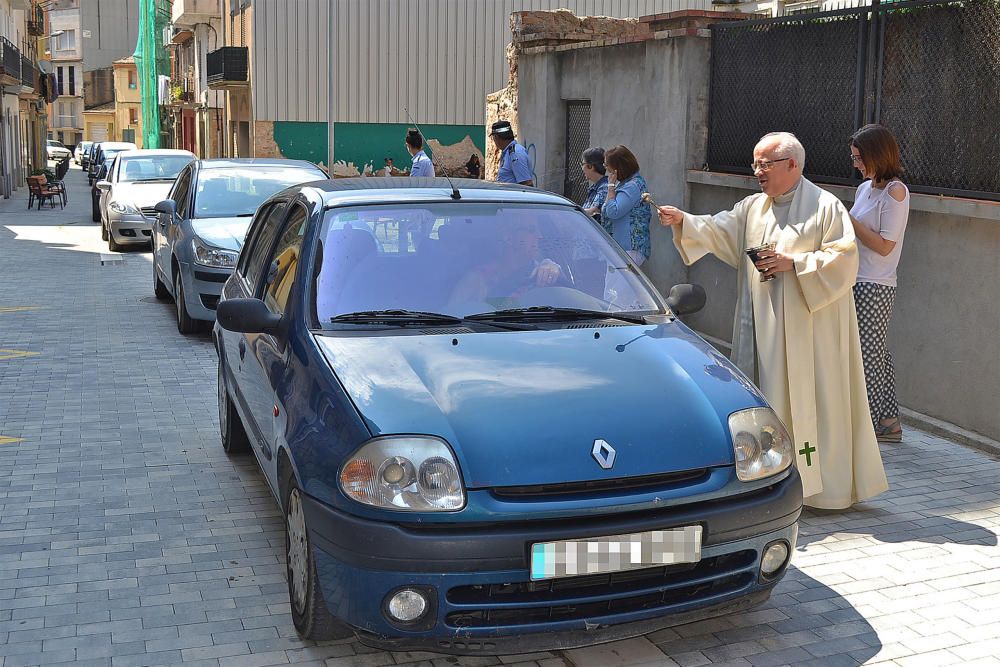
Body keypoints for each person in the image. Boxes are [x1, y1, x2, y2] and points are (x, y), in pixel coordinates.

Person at [655, 131, 888, 510]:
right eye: (755, 164)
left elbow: (845, 260)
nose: (758, 172)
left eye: (765, 164)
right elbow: (719, 228)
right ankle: (766, 480)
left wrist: (794, 264)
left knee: (816, 403)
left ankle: (823, 490)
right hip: (762, 329)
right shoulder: (754, 207)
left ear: (792, 164)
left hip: (810, 334)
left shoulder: (826, 207)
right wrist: (685, 220)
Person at [849, 124, 910, 443]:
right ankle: (889, 424)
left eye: (859, 157)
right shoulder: (865, 189)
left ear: (876, 154)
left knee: (869, 357)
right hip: (855, 278)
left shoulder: (895, 192)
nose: (856, 163)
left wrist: (850, 223)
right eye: (853, 157)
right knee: (877, 354)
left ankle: (866, 430)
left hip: (877, 283)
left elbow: (886, 245)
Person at [449, 218, 562, 308]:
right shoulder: (477, 279)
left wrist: (556, 272)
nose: (539, 236)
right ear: (508, 237)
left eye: (538, 230)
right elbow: (453, 315)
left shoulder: (546, 272)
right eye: (531, 230)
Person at [600, 145, 651, 266]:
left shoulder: (631, 187)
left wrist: (611, 187)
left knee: (616, 285)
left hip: (628, 248)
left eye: (607, 165)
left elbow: (613, 212)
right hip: (621, 248)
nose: (606, 169)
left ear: (618, 168)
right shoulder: (627, 184)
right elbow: (606, 208)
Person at [490, 120, 533, 186]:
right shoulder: (507, 152)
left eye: (493, 138)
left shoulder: (515, 153)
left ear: (496, 137)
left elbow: (527, 184)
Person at [580, 147, 608, 224]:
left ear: (590, 166)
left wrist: (572, 213)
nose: (582, 168)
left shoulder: (604, 187)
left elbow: (594, 211)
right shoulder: (596, 187)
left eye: (583, 164)